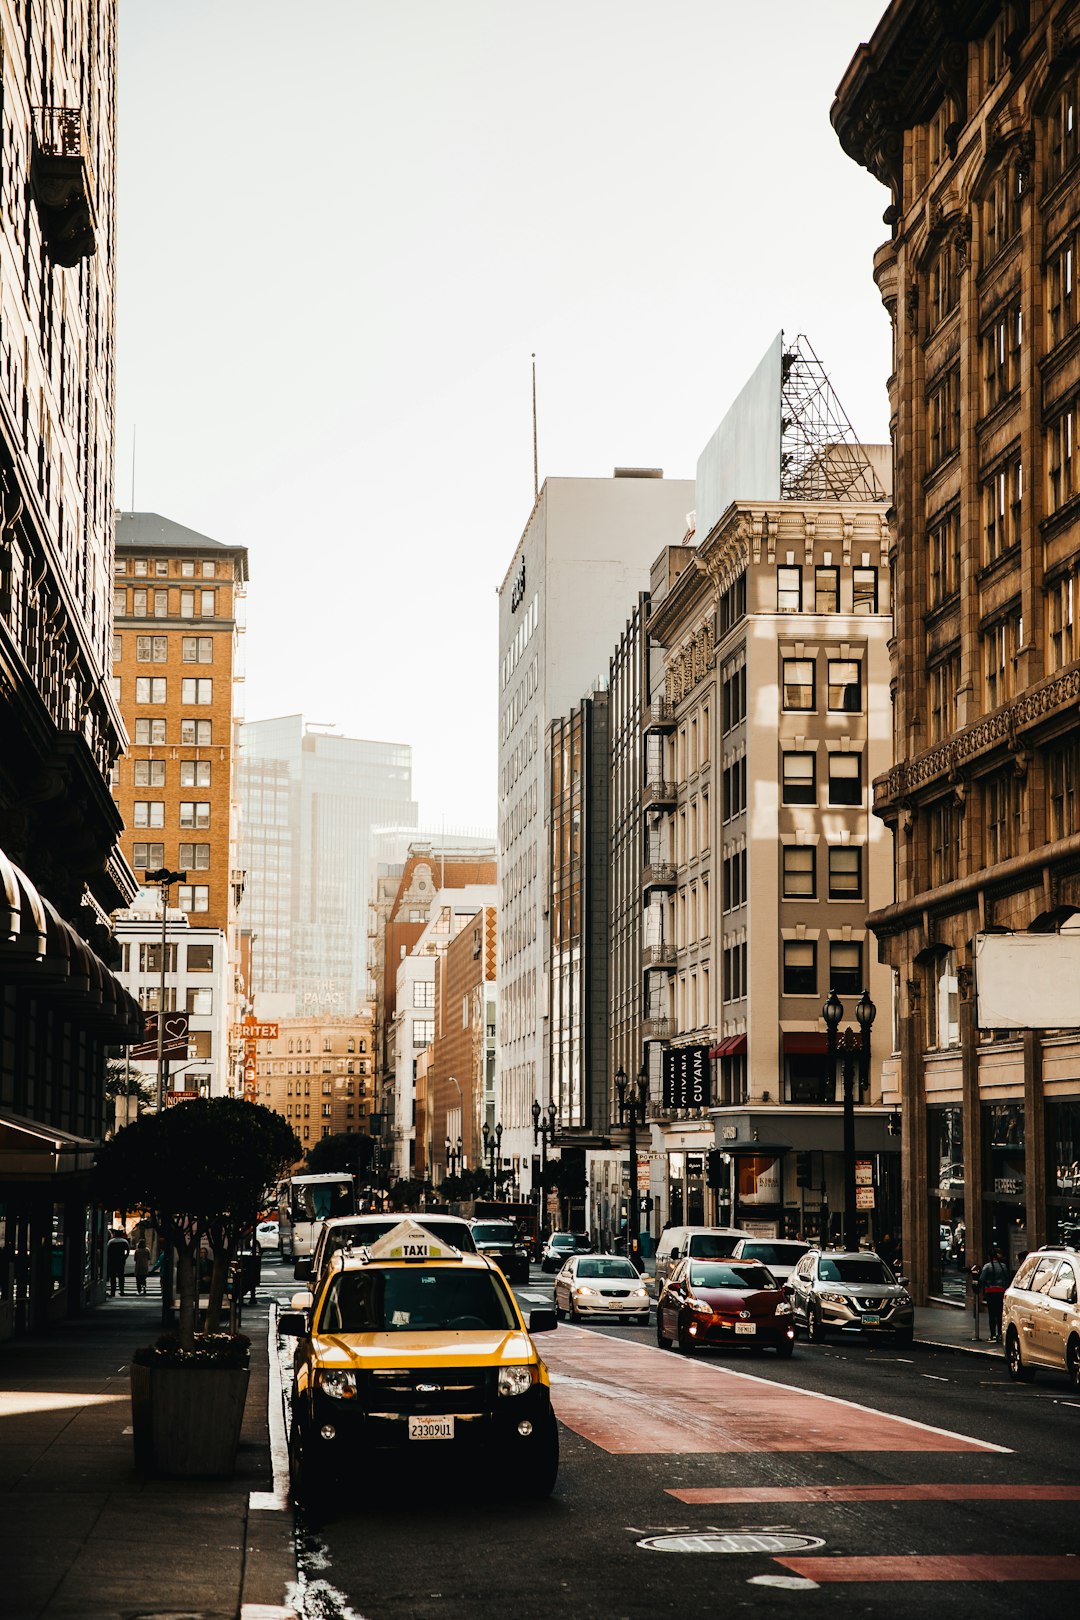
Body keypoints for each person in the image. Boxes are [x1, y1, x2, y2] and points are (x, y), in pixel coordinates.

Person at [978, 1245, 1012, 1342]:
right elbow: (1007, 1278)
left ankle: (992, 1334)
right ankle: (1000, 1334)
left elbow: (982, 1279)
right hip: (1001, 1292)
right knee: (1000, 1314)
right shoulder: (1004, 1266)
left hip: (991, 1292)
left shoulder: (987, 1267)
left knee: (992, 1315)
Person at [105, 1227, 130, 1296]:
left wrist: (109, 1259)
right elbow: (128, 1251)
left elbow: (107, 1251)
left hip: (112, 1261)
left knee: (112, 1277)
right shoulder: (124, 1241)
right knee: (121, 1276)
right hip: (121, 1260)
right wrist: (124, 1257)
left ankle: (113, 1291)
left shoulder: (111, 1242)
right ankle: (122, 1290)